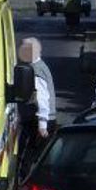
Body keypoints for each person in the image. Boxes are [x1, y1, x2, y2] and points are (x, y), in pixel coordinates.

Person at [17, 37, 56, 173]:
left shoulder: (36, 71)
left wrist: (42, 125)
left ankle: (23, 184)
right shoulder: (39, 66)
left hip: (40, 121)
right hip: (41, 119)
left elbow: (42, 98)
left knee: (29, 158)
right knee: (37, 156)